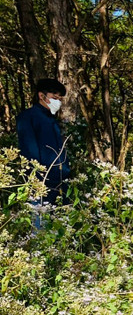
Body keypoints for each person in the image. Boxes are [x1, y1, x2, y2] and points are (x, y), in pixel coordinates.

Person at [16, 78, 71, 216]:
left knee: (61, 222)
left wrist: (66, 172)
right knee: (40, 223)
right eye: (54, 98)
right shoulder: (28, 117)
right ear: (41, 95)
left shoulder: (52, 120)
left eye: (60, 99)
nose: (58, 102)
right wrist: (36, 179)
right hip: (42, 182)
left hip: (61, 180)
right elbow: (29, 151)